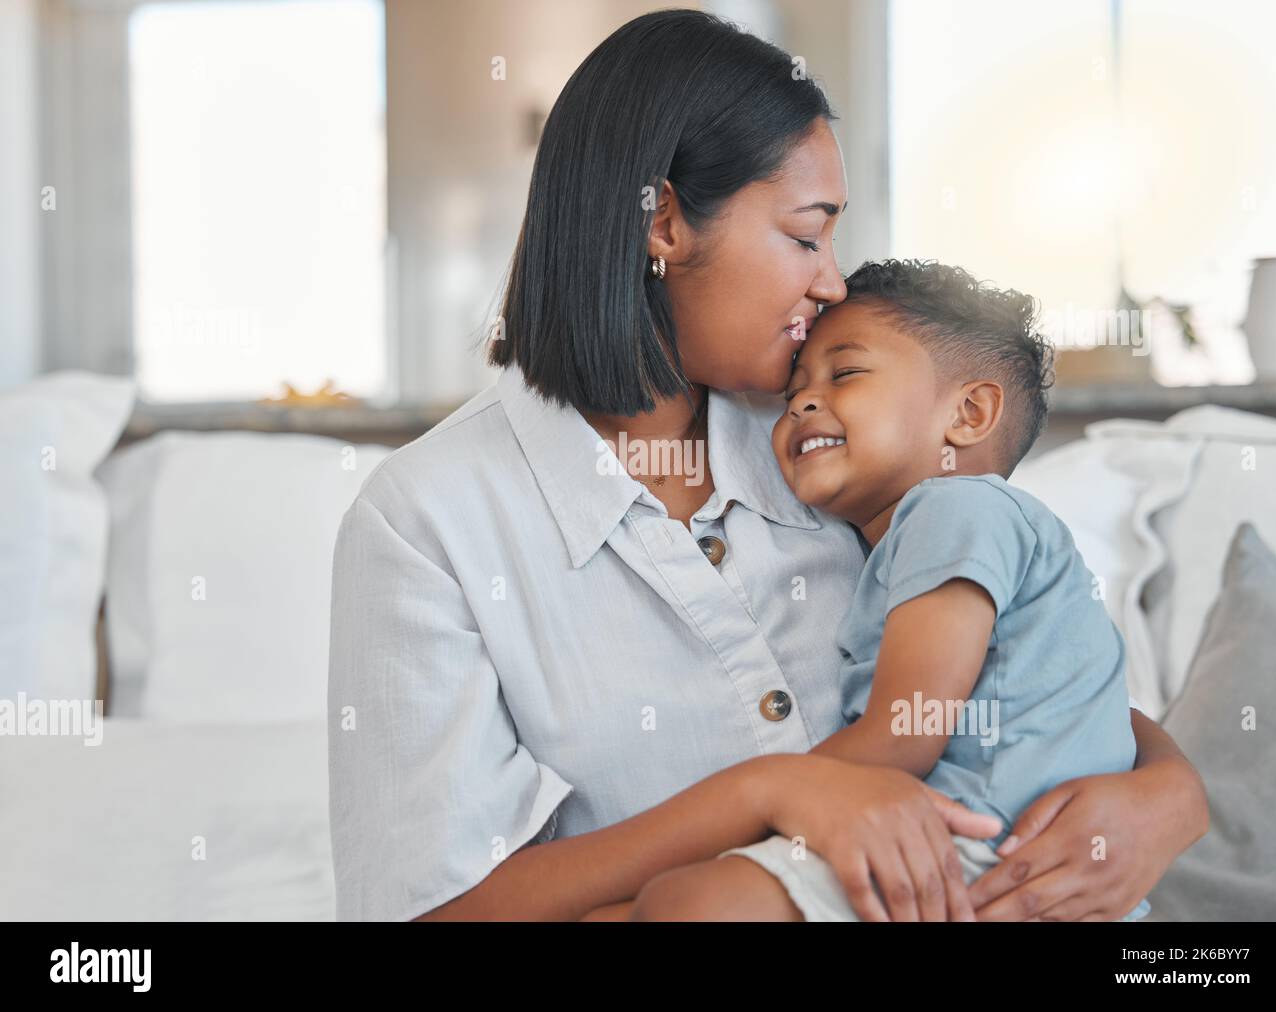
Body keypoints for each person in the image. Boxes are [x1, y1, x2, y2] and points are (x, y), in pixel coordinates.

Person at [326, 9, 1207, 923]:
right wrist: (769, 794)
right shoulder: (428, 522)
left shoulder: (831, 440)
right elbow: (428, 910)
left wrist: (1169, 793)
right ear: (662, 221)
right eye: (805, 234)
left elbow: (1018, 649)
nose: (832, 282)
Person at [626, 259, 1152, 921]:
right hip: (992, 861)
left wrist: (762, 804)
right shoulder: (928, 536)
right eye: (794, 393)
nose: (803, 404)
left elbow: (907, 734)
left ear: (969, 412)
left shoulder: (955, 511)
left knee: (687, 904)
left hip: (983, 858)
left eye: (845, 373)